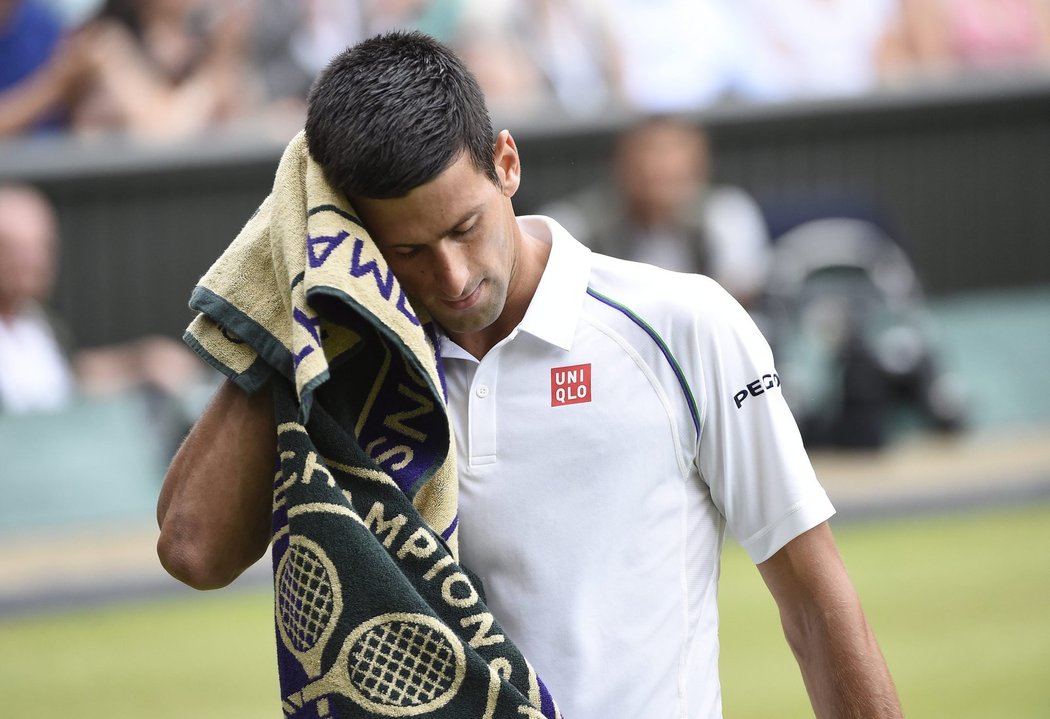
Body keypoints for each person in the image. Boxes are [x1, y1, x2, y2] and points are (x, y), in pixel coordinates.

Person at [157, 31, 903, 719]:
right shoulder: (349, 365)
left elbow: (814, 603)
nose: (451, 277)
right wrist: (288, 285)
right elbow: (194, 547)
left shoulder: (685, 322)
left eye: (464, 227)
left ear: (507, 163)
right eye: (409, 250)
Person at [544, 114, 772, 308]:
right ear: (618, 165)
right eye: (649, 156)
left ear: (700, 168)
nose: (659, 168)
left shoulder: (727, 214)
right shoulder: (574, 224)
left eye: (673, 170)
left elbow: (742, 294)